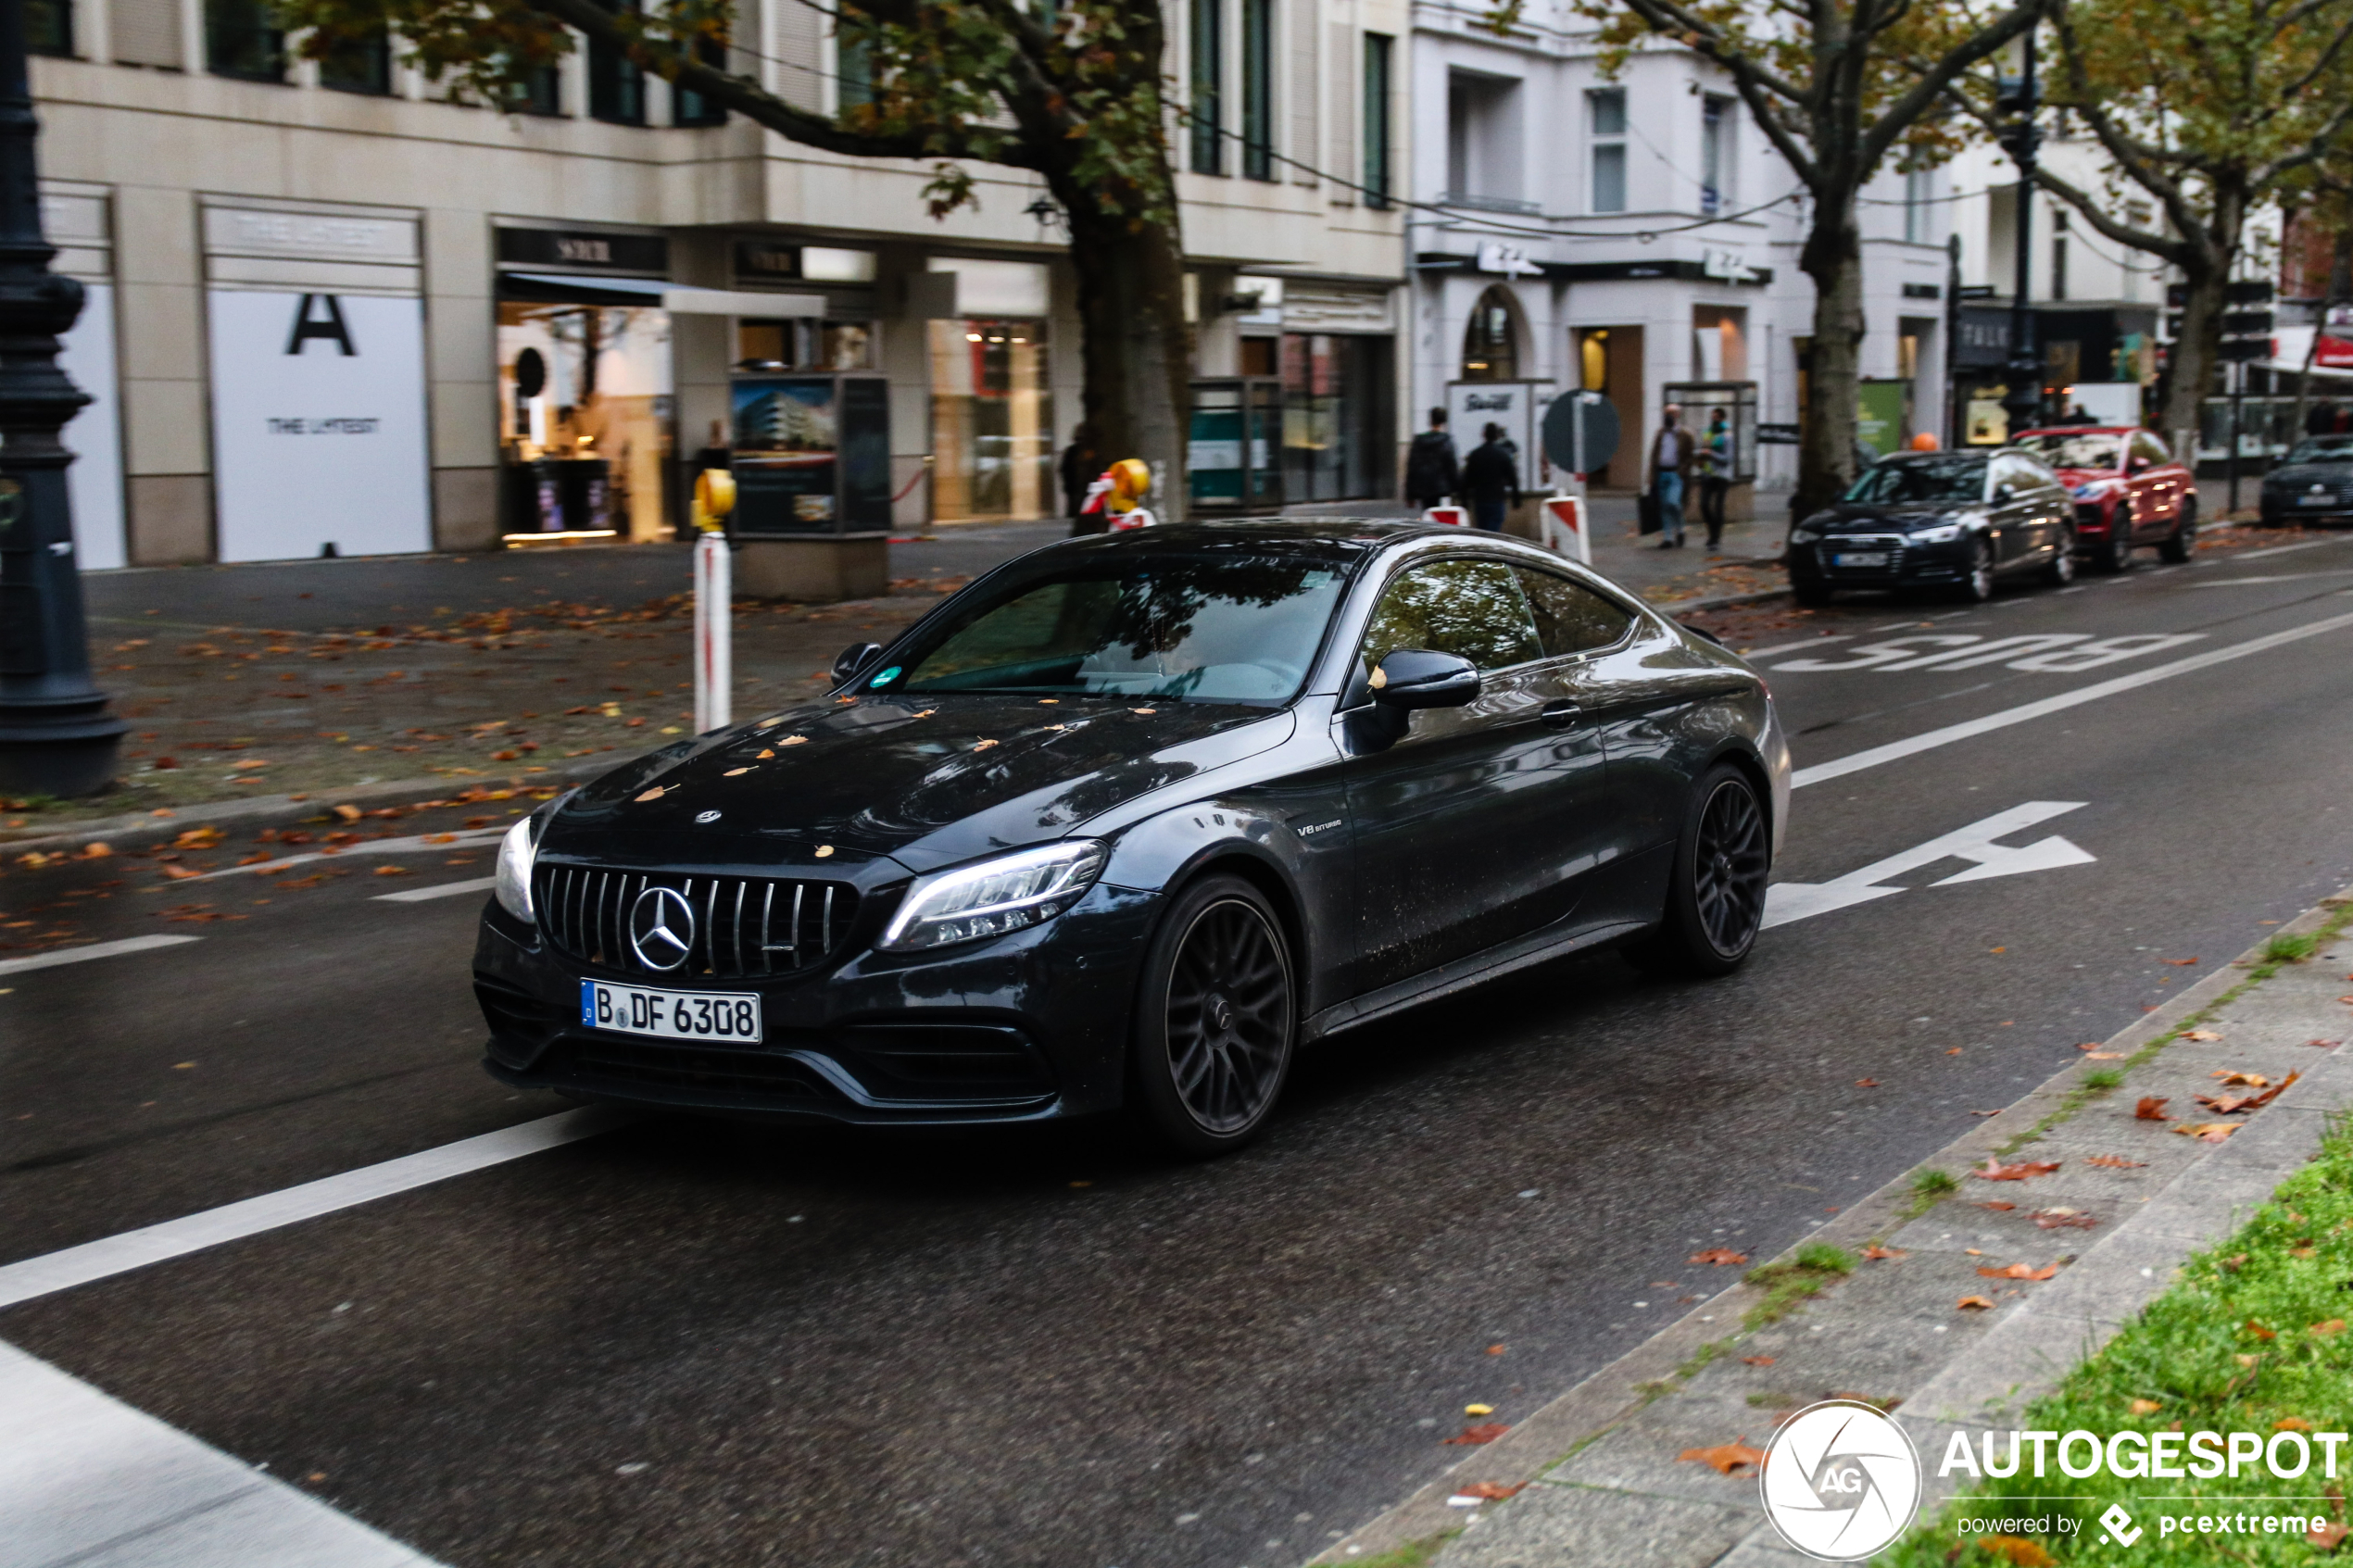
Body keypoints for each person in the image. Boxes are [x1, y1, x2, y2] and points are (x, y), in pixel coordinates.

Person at [1647, 404, 1695, 548]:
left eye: (1672, 413)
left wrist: (1683, 470)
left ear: (1677, 415)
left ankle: (1680, 529)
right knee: (1664, 506)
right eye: (1667, 413)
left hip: (1676, 474)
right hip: (1661, 472)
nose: (1668, 416)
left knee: (1673, 502)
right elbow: (1654, 454)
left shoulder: (1685, 434)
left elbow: (1689, 456)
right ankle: (1668, 537)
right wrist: (1651, 475)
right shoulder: (1661, 433)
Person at [1461, 421, 1520, 532]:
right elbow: (1513, 478)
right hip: (1497, 498)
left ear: (1484, 435)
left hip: (1480, 499)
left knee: (1482, 529)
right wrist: (1516, 499)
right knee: (1494, 530)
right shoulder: (1503, 455)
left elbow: (1467, 479)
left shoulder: (1476, 454)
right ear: (1497, 435)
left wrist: (1464, 500)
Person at [1403, 408, 1460, 511]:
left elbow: (1412, 467)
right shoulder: (1446, 440)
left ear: (1430, 420)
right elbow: (1451, 466)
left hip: (1424, 487)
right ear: (1444, 421)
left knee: (1428, 514)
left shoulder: (1419, 440)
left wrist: (1410, 494)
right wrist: (1457, 489)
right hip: (1442, 488)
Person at [1696, 408, 1732, 549]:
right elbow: (1703, 448)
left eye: (1717, 418)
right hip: (1708, 474)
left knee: (1718, 507)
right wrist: (1701, 457)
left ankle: (1715, 538)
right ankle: (1712, 532)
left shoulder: (1727, 435)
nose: (1714, 420)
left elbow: (1728, 459)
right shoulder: (1708, 433)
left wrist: (1712, 454)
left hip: (1722, 476)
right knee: (1703, 504)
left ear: (1722, 419)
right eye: (1713, 417)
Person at [1060, 422, 1102, 535]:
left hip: (1084, 492)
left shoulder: (1076, 451)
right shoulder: (1075, 452)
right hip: (1081, 492)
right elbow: (1066, 471)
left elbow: (1065, 471)